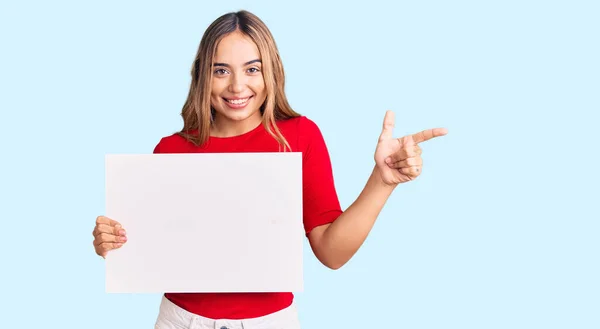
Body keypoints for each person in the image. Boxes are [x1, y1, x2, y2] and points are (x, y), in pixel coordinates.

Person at [92, 10, 447, 329]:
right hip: (180, 320)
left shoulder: (298, 136)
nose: (237, 86)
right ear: (202, 74)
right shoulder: (171, 149)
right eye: (220, 70)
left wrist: (382, 182)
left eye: (252, 68)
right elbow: (150, 250)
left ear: (270, 72)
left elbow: (331, 253)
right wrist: (112, 242)